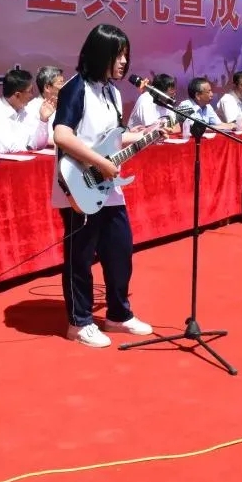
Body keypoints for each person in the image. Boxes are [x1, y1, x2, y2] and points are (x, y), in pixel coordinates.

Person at [52, 24, 164, 348]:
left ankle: (118, 314)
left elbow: (115, 137)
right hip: (78, 184)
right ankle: (79, 322)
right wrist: (99, 163)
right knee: (81, 256)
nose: (124, 62)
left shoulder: (112, 93)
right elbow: (62, 135)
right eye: (118, 55)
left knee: (120, 251)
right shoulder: (75, 88)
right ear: (100, 54)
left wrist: (147, 134)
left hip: (108, 187)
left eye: (126, 55)